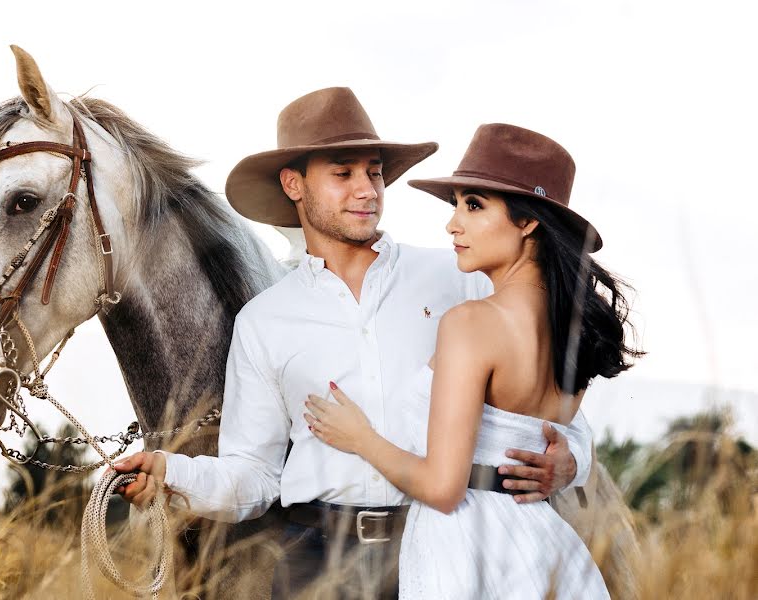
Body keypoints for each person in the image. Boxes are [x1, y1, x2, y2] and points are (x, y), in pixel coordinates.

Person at [113, 90, 595, 598]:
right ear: (294, 184)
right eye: (343, 174)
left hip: (439, 546)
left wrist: (572, 462)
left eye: (375, 173)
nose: (367, 190)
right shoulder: (264, 321)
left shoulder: (458, 279)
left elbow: (547, 409)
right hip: (315, 563)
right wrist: (173, 474)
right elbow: (254, 473)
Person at [303, 123, 641, 598]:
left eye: (474, 205)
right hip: (548, 553)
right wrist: (573, 464)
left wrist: (361, 439)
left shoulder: (472, 323)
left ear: (528, 221)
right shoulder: (580, 334)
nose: (452, 223)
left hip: (466, 553)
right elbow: (561, 434)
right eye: (456, 204)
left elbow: (444, 488)